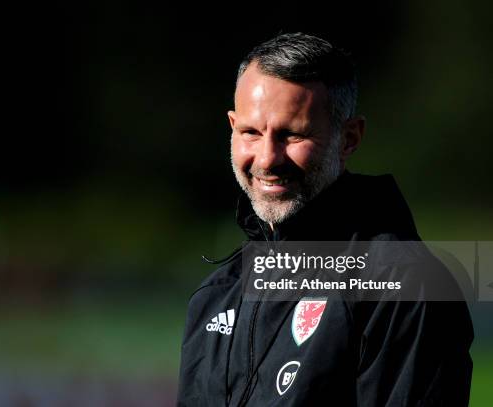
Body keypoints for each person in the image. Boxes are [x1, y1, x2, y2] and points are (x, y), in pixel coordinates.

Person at [176, 33, 473, 406]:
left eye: (292, 135)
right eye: (251, 132)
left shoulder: (403, 289)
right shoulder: (216, 297)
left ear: (349, 138)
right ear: (232, 127)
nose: (268, 159)